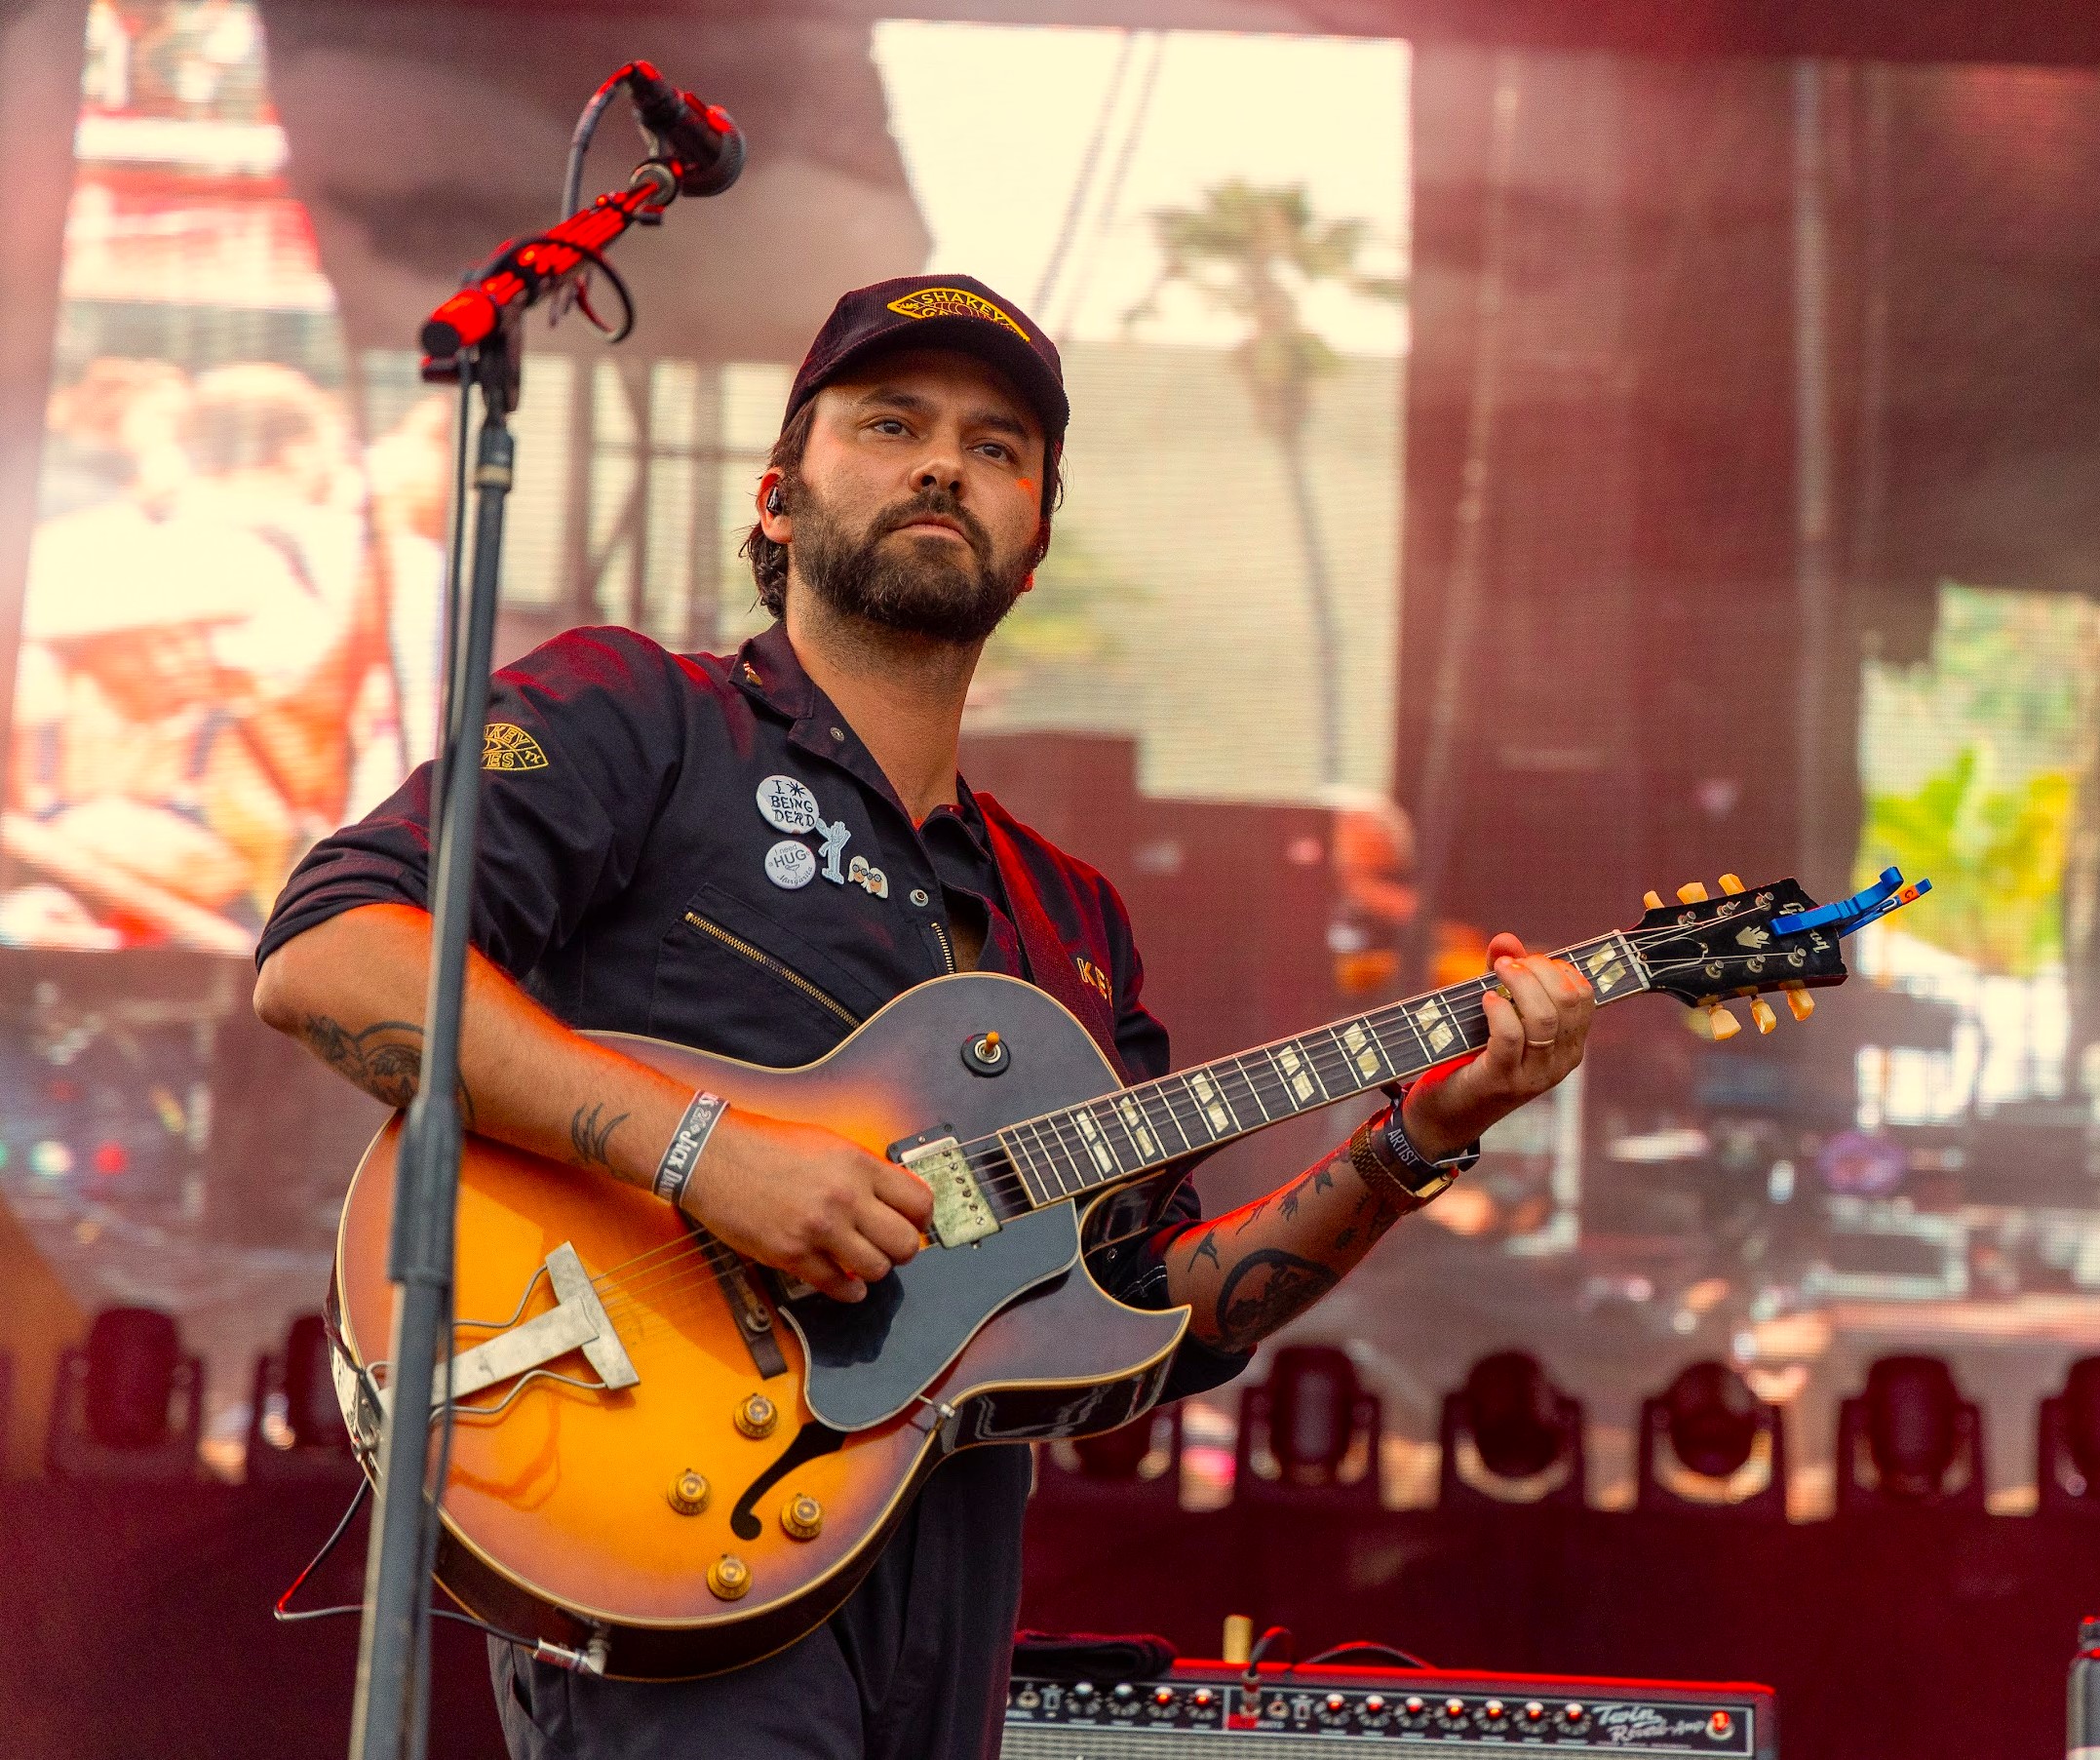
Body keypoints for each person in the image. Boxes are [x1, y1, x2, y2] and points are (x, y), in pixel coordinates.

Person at [251, 274, 1595, 1760]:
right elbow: (330, 954)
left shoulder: (1068, 919)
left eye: (999, 446)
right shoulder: (638, 717)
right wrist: (704, 1150)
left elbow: (1168, 1315)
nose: (945, 462)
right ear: (775, 497)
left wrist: (1422, 1134)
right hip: (658, 1497)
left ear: (1030, 553)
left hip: (942, 1574)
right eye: (891, 423)